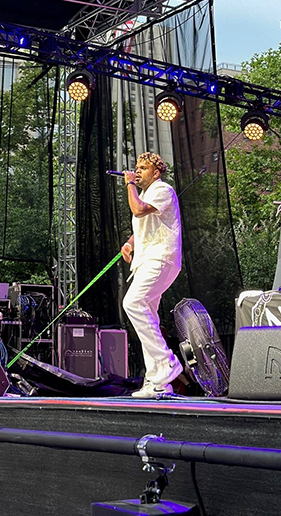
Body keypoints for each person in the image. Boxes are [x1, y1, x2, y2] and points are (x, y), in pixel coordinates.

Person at [121, 152, 183, 399]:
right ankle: (157, 381)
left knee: (132, 303)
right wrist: (129, 244)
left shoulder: (162, 189)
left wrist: (128, 184)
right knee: (148, 316)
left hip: (161, 257)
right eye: (136, 168)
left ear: (156, 173)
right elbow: (144, 227)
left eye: (143, 168)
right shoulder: (146, 194)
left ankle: (167, 363)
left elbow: (137, 211)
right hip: (147, 259)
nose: (137, 172)